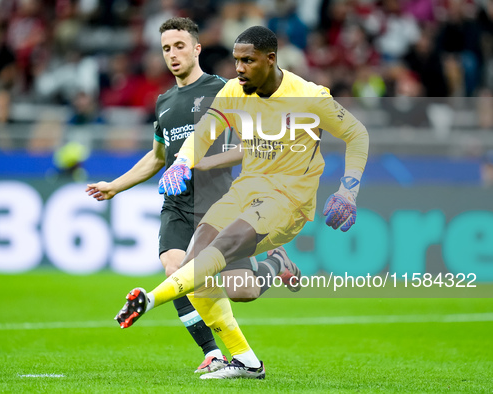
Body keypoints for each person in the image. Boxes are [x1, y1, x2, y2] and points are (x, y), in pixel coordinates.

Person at [115, 26, 369, 379]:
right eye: (236, 60)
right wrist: (184, 160)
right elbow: (205, 131)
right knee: (203, 273)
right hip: (244, 191)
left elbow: (357, 134)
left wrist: (348, 190)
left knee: (216, 250)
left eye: (247, 60)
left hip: (287, 197)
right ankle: (246, 360)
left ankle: (148, 299)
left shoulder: (308, 96)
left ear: (270, 59)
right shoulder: (234, 91)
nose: (239, 68)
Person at [86, 18, 300, 375]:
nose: (173, 54)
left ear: (197, 49)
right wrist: (116, 185)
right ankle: (218, 353)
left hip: (218, 203)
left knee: (241, 291)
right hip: (178, 205)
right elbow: (158, 157)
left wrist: (200, 162)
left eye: (180, 46)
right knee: (177, 270)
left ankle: (276, 262)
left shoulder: (225, 90)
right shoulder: (164, 102)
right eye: (167, 48)